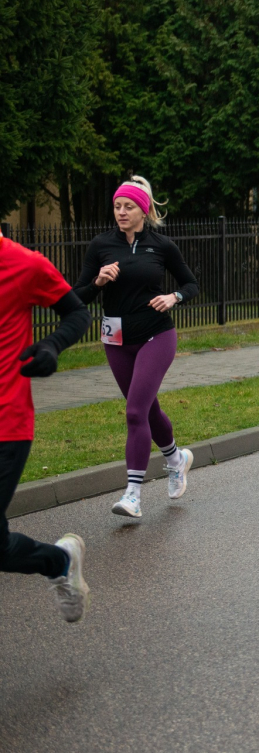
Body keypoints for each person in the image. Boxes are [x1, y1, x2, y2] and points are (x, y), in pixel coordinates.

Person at [73, 177, 200, 519]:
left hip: (156, 336)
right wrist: (98, 282)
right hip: (116, 340)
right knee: (146, 410)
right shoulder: (101, 245)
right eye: (117, 206)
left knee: (134, 411)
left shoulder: (161, 246)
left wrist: (174, 296)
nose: (121, 212)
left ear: (143, 210)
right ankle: (176, 459)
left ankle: (133, 495)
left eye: (128, 206)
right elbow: (77, 295)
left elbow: (191, 284)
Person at [0, 229, 92, 622]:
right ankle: (59, 560)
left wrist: (52, 346)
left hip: (6, 422)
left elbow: (78, 313)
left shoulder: (25, 264)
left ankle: (57, 561)